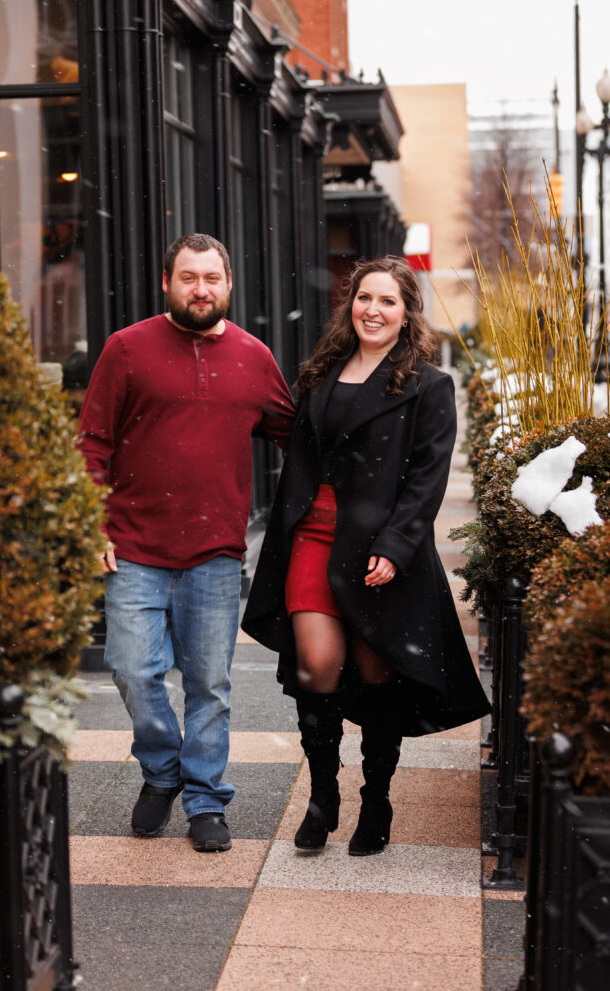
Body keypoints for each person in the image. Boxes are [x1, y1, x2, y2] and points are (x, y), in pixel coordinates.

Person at [242, 256, 491, 856]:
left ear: (407, 315)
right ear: (349, 304)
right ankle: (322, 797)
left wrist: (396, 547)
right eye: (363, 298)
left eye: (386, 302)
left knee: (378, 672)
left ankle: (375, 798)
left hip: (379, 551)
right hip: (312, 539)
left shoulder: (429, 386)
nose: (372, 310)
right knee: (316, 666)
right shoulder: (320, 374)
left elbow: (427, 480)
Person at [78, 233, 294, 852]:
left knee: (210, 685)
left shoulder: (255, 358)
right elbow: (92, 442)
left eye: (211, 278)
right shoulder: (126, 350)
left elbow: (298, 439)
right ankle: (162, 770)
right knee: (131, 670)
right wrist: (90, 521)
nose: (201, 289)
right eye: (188, 278)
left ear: (229, 285)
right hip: (133, 548)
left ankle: (204, 799)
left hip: (216, 554)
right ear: (167, 283)